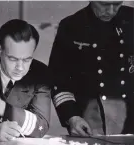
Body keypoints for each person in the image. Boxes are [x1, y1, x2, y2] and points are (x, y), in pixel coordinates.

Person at [48, 1, 134, 136]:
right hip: (90, 120)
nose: (111, 11)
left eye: (117, 4)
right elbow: (58, 81)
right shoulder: (71, 26)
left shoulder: (131, 19)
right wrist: (72, 117)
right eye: (104, 4)